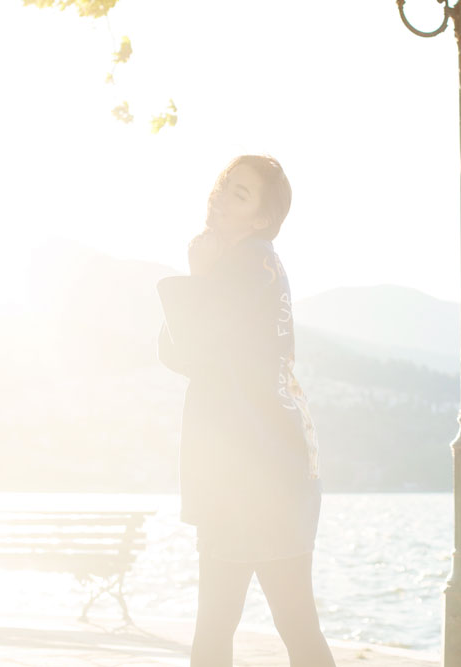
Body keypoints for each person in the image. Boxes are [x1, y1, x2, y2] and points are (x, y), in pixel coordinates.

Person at [156, 155, 335, 667]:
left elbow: (191, 349)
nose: (220, 195)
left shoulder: (248, 263)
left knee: (225, 627)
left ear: (262, 217)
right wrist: (202, 278)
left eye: (240, 193)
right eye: (224, 185)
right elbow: (182, 354)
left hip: (256, 468)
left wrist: (198, 274)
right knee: (281, 623)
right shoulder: (254, 263)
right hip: (265, 463)